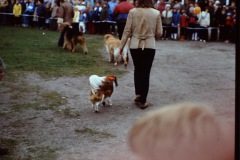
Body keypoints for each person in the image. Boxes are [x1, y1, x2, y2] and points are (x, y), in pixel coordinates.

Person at [119, 0, 162, 109]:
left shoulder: (132, 12)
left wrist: (121, 46)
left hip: (135, 45)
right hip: (149, 45)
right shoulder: (156, 13)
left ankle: (138, 94)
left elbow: (127, 31)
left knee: (137, 69)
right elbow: (159, 33)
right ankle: (143, 100)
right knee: (146, 72)